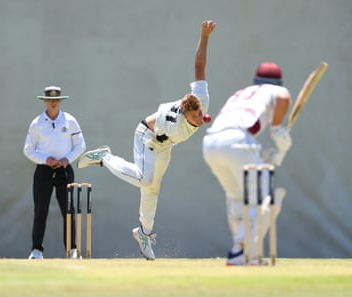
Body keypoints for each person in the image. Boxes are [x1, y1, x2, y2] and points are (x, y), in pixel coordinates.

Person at [76, 20, 216, 260]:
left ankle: (144, 233)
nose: (200, 119)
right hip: (147, 137)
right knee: (145, 179)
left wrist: (204, 36)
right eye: (195, 116)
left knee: (153, 190)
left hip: (164, 145)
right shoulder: (171, 121)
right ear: (184, 114)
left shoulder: (200, 99)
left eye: (200, 114)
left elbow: (199, 65)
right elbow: (158, 132)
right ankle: (105, 157)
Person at [202, 62, 292, 265]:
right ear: (278, 81)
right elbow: (284, 98)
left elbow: (249, 126)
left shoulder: (242, 92)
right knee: (262, 197)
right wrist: (278, 131)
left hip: (211, 143)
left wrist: (261, 153)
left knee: (236, 198)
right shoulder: (276, 89)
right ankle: (243, 250)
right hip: (238, 142)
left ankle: (243, 252)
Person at [23, 86, 86, 259]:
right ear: (44, 100)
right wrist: (45, 159)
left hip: (64, 171)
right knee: (40, 210)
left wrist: (67, 159)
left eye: (56, 100)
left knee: (68, 210)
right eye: (50, 100)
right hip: (43, 171)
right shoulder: (37, 123)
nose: (53, 103)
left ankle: (73, 250)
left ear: (60, 101)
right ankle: (36, 250)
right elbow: (28, 150)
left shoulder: (69, 120)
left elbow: (80, 145)